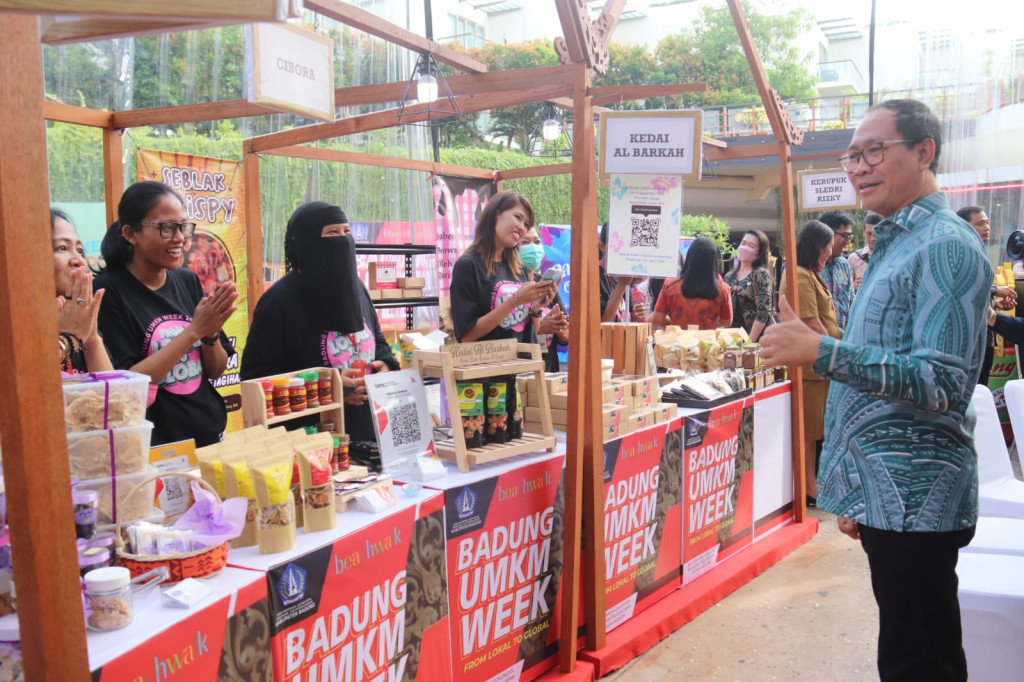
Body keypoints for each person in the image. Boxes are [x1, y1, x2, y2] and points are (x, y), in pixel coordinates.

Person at [760, 99, 991, 682]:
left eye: (873, 152)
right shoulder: (896, 242)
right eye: (851, 156)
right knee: (908, 650)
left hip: (919, 496)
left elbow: (941, 381)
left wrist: (820, 351)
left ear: (924, 151)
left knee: (920, 661)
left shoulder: (945, 245)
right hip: (892, 496)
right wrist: (862, 488)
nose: (858, 167)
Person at [95, 181, 238, 448]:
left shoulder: (187, 280)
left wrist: (210, 335)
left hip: (209, 434)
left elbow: (216, 371)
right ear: (130, 233)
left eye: (182, 227)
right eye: (166, 228)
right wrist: (193, 332)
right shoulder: (108, 290)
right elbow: (127, 384)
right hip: (155, 446)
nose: (180, 238)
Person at [241, 201, 398, 442]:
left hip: (369, 434)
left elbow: (377, 340)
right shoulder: (278, 301)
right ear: (306, 242)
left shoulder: (356, 288)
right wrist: (331, 387)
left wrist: (385, 364)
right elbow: (257, 379)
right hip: (312, 444)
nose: (343, 240)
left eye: (347, 232)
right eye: (332, 233)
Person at [778, 220, 840, 503]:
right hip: (810, 366)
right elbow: (812, 323)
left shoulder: (807, 274)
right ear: (818, 246)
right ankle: (806, 490)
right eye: (829, 244)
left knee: (813, 432)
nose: (831, 251)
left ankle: (811, 487)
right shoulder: (800, 276)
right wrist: (836, 355)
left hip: (816, 365)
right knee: (806, 433)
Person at [450, 191, 555, 343]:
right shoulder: (468, 266)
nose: (522, 227)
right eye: (518, 217)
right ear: (495, 215)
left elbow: (532, 332)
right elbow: (467, 336)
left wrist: (537, 308)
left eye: (526, 224)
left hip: (526, 363)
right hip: (490, 364)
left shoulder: (519, 267)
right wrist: (515, 300)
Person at [53, 208, 113, 373]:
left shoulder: (76, 318)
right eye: (62, 248)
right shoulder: (17, 324)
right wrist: (70, 338)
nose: (78, 260)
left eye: (80, 250)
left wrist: (91, 337)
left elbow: (112, 396)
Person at [650, 236, 731, 330]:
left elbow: (658, 319)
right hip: (707, 343)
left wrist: (675, 327)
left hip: (678, 342)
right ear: (713, 261)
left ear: (689, 257)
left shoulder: (670, 285)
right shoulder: (722, 289)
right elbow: (727, 322)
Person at [518, 225, 569, 372]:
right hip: (522, 372)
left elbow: (566, 328)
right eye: (525, 243)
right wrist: (540, 328)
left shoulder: (545, 283)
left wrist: (561, 332)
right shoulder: (508, 287)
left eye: (537, 242)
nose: (533, 247)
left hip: (549, 370)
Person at [723, 229, 774, 341]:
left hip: (753, 338)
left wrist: (749, 342)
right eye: (743, 243)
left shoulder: (760, 274)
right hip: (730, 338)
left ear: (759, 253)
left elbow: (764, 312)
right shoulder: (729, 276)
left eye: (751, 245)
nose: (745, 247)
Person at [816, 210, 855, 332]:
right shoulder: (807, 267)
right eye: (845, 236)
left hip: (842, 340)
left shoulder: (844, 265)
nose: (848, 241)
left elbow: (851, 302)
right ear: (828, 234)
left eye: (850, 236)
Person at [598, 222, 641, 322]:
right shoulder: (594, 275)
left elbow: (629, 316)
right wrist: (621, 285)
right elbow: (602, 320)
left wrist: (637, 314)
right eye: (618, 245)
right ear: (602, 247)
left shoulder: (622, 276)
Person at [847, 213, 881, 292]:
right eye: (869, 234)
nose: (873, 238)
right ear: (863, 233)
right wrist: (854, 286)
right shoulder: (853, 258)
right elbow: (845, 290)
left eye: (877, 233)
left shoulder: (891, 257)